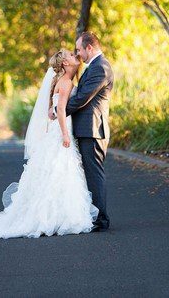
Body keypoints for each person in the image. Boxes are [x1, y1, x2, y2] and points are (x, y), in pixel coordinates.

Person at [0, 48, 99, 239]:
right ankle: (57, 217)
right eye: (71, 56)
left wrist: (55, 115)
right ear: (65, 63)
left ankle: (55, 215)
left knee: (55, 173)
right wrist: (65, 135)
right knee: (59, 171)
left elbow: (53, 109)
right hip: (59, 133)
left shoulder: (62, 81)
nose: (75, 56)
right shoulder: (65, 82)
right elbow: (62, 110)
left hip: (55, 132)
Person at [50, 31, 114, 231]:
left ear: (89, 47)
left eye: (78, 49)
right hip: (86, 129)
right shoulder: (92, 67)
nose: (77, 53)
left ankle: (101, 220)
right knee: (88, 174)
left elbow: (83, 97)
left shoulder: (100, 68)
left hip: (93, 129)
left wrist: (59, 111)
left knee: (94, 174)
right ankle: (93, 215)